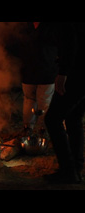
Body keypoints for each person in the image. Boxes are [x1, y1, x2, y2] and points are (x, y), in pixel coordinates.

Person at [44, 22, 85, 184]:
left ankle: (68, 170)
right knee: (73, 119)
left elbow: (70, 43)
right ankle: (76, 169)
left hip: (76, 74)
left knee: (52, 119)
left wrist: (63, 73)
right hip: (81, 73)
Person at [16, 22, 65, 137]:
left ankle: (42, 130)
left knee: (42, 102)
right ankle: (30, 128)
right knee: (31, 100)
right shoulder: (26, 27)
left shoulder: (51, 28)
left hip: (45, 71)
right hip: (32, 72)